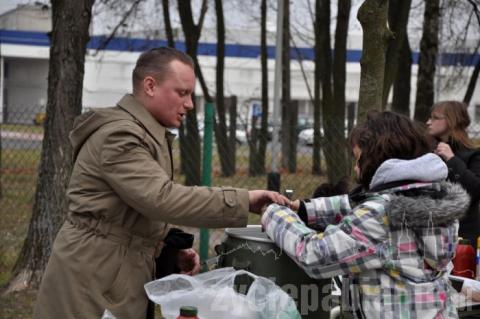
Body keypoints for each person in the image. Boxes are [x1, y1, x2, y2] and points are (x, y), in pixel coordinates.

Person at [33, 47, 290, 319]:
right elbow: (162, 199)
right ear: (150, 86)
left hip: (113, 274)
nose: (190, 104)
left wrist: (165, 249)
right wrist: (243, 200)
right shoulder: (120, 136)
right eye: (182, 93)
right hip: (92, 281)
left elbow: (131, 210)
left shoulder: (146, 134)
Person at [262, 111, 470, 318]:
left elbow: (313, 254)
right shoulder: (433, 199)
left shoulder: (382, 216)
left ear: (375, 157)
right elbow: (355, 204)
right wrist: (302, 208)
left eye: (358, 158)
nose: (355, 167)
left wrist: (273, 212)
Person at [426, 100, 480, 247]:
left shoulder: (473, 154)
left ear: (451, 120)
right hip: (431, 234)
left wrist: (451, 159)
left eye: (435, 118)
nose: (428, 122)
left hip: (463, 235)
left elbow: (475, 190)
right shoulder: (428, 152)